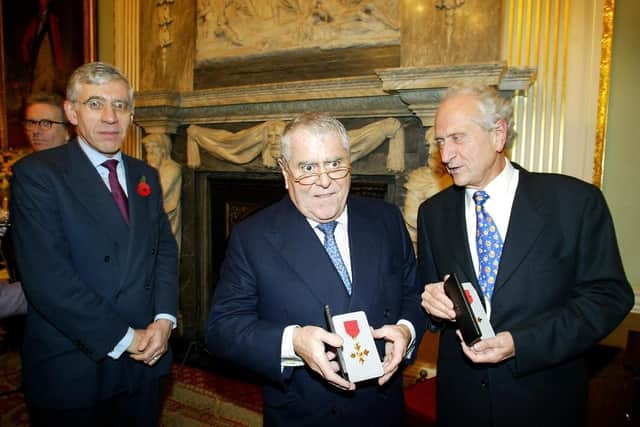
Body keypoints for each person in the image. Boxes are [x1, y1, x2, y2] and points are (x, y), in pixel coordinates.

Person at [417, 84, 634, 427]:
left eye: (458, 138)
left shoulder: (574, 202)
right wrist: (430, 302)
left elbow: (608, 297)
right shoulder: (433, 213)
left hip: (544, 402)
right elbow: (429, 294)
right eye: (441, 142)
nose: (446, 156)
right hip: (462, 404)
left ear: (498, 134)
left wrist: (521, 344)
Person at [206, 112, 426, 426]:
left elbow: (413, 294)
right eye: (308, 168)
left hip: (382, 410)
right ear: (285, 171)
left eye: (335, 164)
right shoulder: (252, 237)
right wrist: (292, 341)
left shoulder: (386, 219)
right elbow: (222, 330)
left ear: (350, 162)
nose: (324, 181)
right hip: (304, 412)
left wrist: (406, 330)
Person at [10, 62, 178, 427]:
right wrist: (124, 338)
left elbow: (163, 250)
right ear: (71, 112)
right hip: (75, 364)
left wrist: (164, 320)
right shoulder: (37, 175)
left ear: (131, 115)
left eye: (120, 106)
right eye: (95, 104)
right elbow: (48, 280)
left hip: (145, 359)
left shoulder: (144, 174)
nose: (109, 117)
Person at [142, 133, 182, 249]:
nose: (151, 153)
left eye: (154, 148)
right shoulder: (149, 168)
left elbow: (160, 193)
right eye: (148, 149)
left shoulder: (172, 168)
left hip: (166, 217)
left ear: (164, 149)